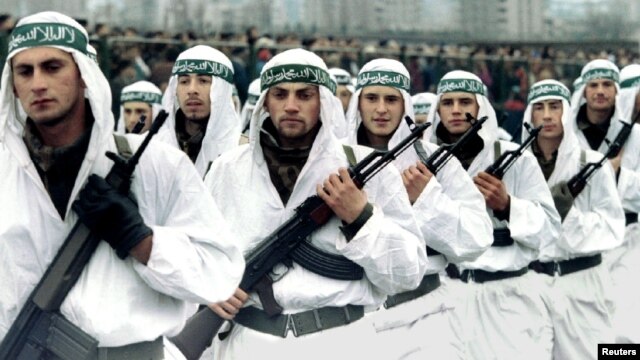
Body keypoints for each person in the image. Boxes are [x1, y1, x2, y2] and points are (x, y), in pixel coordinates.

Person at [0, 11, 244, 358]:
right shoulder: (4, 172)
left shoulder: (157, 166)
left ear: (84, 75)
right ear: (13, 84)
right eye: (25, 71)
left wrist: (142, 241)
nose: (38, 83)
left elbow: (218, 273)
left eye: (53, 67)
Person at [202, 48, 427, 359]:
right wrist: (209, 291)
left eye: (305, 95)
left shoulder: (367, 167)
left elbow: (407, 274)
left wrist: (361, 217)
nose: (291, 106)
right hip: (248, 345)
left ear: (324, 101)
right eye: (280, 94)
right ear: (265, 102)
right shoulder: (228, 168)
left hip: (339, 344)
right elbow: (199, 252)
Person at [345, 58, 492, 359]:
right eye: (372, 98)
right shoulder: (332, 159)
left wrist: (425, 199)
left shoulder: (437, 159)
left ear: (405, 105)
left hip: (426, 316)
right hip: (352, 320)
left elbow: (476, 239)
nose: (382, 109)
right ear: (358, 104)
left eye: (391, 99)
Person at [426, 70, 561, 359]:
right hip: (446, 297)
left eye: (465, 102)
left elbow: (549, 230)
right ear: (438, 110)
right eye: (448, 103)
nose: (457, 110)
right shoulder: (425, 161)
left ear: (480, 108)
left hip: (508, 297)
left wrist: (507, 205)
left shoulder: (515, 156)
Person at [524, 79, 625, 358]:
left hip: (582, 283)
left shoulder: (592, 163)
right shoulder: (518, 164)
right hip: (531, 285)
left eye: (555, 107)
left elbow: (612, 229)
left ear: (566, 112)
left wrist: (568, 214)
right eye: (539, 108)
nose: (546, 115)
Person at [570, 59, 640, 343]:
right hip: (580, 240)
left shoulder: (634, 136)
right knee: (586, 326)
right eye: (594, 85)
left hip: (629, 239)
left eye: (607, 85)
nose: (600, 91)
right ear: (583, 91)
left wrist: (619, 174)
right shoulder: (567, 136)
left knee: (626, 323)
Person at [158, 45, 241, 177]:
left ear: (221, 91)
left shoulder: (241, 150)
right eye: (184, 81)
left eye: (203, 81)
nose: (192, 90)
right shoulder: (157, 146)